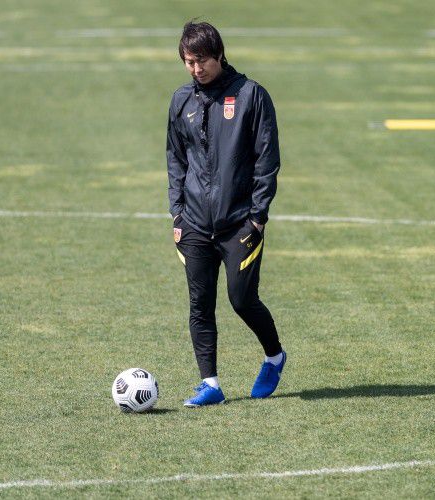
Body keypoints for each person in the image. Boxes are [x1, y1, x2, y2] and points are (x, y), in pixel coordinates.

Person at [166, 21, 286, 407]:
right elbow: (175, 159)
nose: (196, 69)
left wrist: (258, 216)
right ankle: (211, 384)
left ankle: (274, 356)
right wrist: (177, 214)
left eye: (202, 61)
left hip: (240, 223)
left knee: (241, 299)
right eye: (189, 62)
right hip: (195, 224)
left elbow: (267, 159)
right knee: (199, 306)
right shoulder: (181, 101)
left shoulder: (251, 96)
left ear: (219, 55)